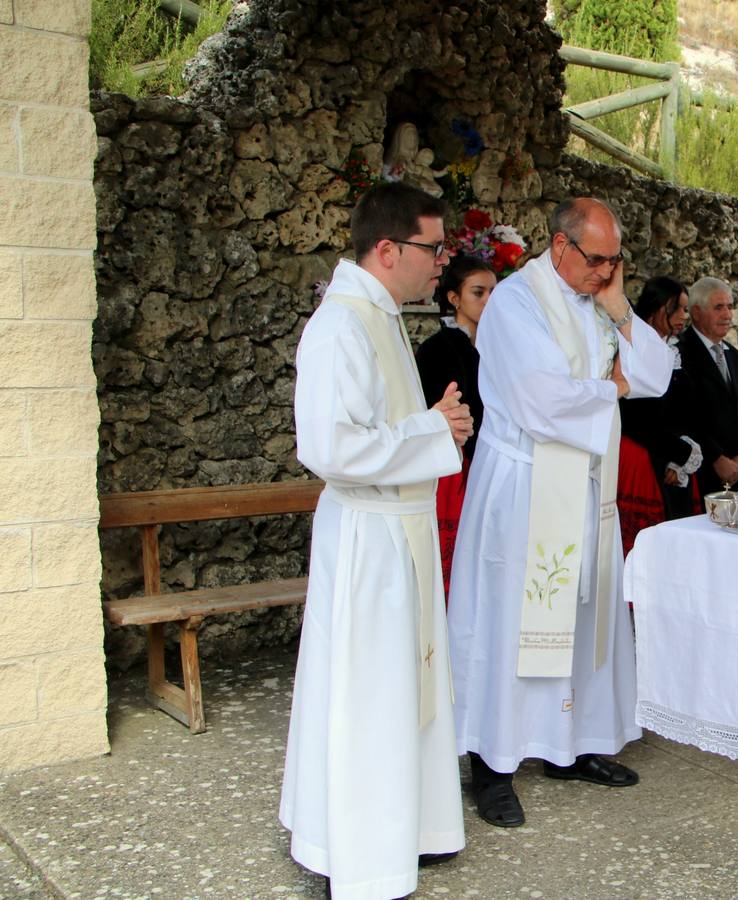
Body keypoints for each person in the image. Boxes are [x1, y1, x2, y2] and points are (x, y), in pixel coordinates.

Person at [448, 197, 673, 829]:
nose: (605, 271)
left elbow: (657, 374)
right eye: (597, 260)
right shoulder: (517, 303)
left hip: (585, 486)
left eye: (614, 261)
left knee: (580, 615)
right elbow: (540, 398)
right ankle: (491, 766)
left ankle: (569, 748)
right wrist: (615, 388)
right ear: (560, 245)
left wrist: (619, 307)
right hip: (525, 481)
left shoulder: (598, 301)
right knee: (511, 620)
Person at [282, 182, 475, 898]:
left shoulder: (383, 314)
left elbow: (378, 422)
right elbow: (330, 446)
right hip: (369, 538)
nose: (442, 263)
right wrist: (432, 429)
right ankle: (361, 850)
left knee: (407, 686)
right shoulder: (340, 326)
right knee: (370, 694)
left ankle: (411, 828)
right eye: (433, 248)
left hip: (402, 532)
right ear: (388, 249)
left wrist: (431, 420)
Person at [416, 255, 496, 596]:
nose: (489, 301)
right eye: (479, 292)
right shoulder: (439, 348)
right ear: (454, 298)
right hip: (455, 467)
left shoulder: (496, 346)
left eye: (494, 292)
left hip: (490, 460)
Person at [617, 277, 701, 551]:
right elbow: (636, 414)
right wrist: (676, 455)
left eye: (685, 309)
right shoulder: (634, 347)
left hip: (676, 455)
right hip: (643, 456)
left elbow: (685, 409)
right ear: (655, 307)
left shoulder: (676, 350)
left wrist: (683, 454)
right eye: (675, 308)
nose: (682, 316)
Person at [676, 276, 738, 494]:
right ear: (696, 312)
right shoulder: (679, 353)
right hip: (699, 475)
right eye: (718, 307)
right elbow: (685, 414)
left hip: (736, 476)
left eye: (730, 307)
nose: (727, 315)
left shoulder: (736, 356)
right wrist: (716, 458)